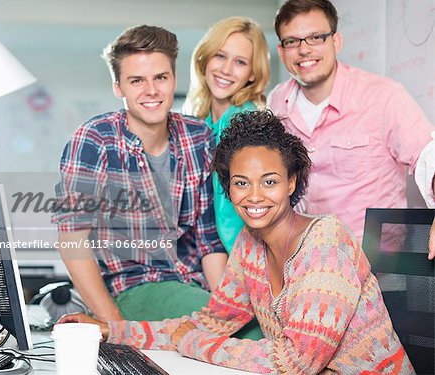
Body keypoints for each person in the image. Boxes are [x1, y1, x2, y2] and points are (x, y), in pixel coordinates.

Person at [58, 110, 413, 374]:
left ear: (292, 182)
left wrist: (194, 344)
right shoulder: (250, 243)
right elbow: (210, 322)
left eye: (269, 181)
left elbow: (297, 361)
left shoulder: (326, 241)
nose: (254, 196)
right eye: (241, 183)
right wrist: (111, 330)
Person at [51, 25, 228, 323]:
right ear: (118, 87)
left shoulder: (198, 137)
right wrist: (115, 326)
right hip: (132, 289)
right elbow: (72, 240)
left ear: (173, 79)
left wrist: (226, 309)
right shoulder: (95, 140)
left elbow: (209, 242)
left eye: (161, 77)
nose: (152, 90)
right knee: (251, 336)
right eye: (136, 80)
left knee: (252, 326)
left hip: (193, 285)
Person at [267, 0, 435, 258]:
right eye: (292, 41)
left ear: (336, 41)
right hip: (303, 265)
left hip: (375, 268)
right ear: (281, 51)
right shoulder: (277, 102)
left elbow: (429, 155)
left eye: (315, 37)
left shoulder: (384, 97)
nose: (304, 50)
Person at [185, 16, 270, 254]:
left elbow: (241, 203)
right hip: (205, 249)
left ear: (253, 73)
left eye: (240, 62)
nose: (226, 69)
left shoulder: (246, 120)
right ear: (205, 57)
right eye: (220, 56)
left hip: (238, 251)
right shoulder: (199, 118)